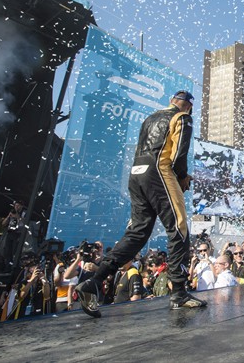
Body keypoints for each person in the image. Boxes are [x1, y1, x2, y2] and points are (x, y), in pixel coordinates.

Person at [76, 91, 206, 318]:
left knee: (137, 232)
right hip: (159, 170)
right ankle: (179, 293)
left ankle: (94, 282)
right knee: (179, 227)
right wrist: (182, 177)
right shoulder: (183, 117)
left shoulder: (150, 117)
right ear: (189, 107)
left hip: (136, 174)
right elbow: (178, 155)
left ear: (171, 101)